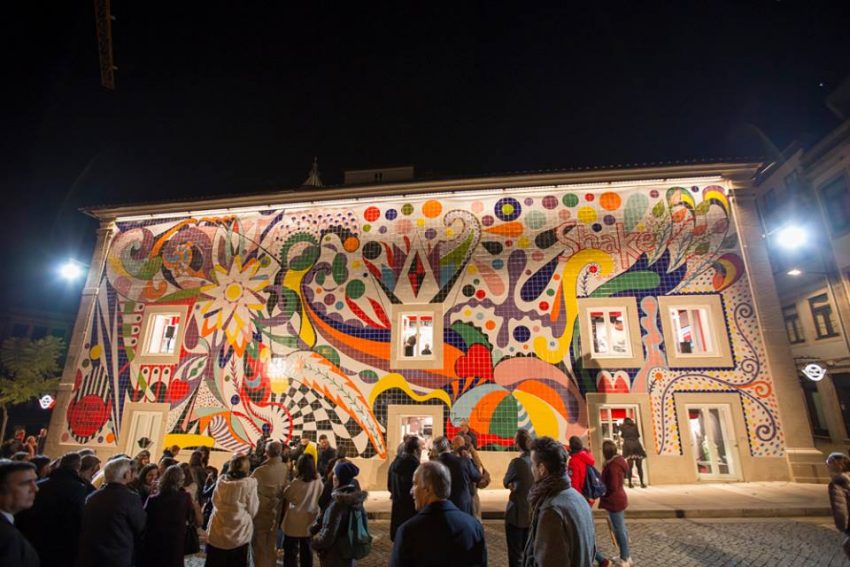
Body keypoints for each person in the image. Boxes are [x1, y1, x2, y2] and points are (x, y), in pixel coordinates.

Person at [389, 460, 486, 567]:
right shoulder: (474, 527)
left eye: (415, 484)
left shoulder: (407, 532)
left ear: (428, 488)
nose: (411, 491)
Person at [524, 436, 596, 567]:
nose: (531, 469)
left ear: (541, 468)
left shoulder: (551, 511)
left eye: (532, 464)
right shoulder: (579, 498)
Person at [16, 452, 87, 567]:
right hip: (63, 546)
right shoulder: (78, 489)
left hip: (35, 541)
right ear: (78, 467)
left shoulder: (42, 485)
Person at [77, 457, 147, 567]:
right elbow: (140, 525)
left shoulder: (92, 497)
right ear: (126, 475)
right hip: (117, 556)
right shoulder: (130, 498)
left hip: (90, 555)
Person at [141, 464, 201, 567]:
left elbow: (143, 518)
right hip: (175, 542)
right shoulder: (185, 498)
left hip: (154, 541)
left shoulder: (153, 499)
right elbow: (197, 521)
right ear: (180, 481)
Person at [311, 461, 369, 567]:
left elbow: (328, 536)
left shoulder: (337, 504)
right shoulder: (355, 500)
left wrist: (314, 543)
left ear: (338, 479)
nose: (333, 477)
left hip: (334, 555)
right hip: (348, 552)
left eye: (335, 474)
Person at [206, 454, 259, 567]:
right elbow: (253, 509)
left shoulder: (221, 481)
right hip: (238, 533)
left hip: (218, 528)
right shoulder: (248, 485)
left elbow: (214, 501)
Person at [251, 441, 289, 567]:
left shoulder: (260, 471)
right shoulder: (284, 468)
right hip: (277, 510)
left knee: (259, 543)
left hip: (261, 511)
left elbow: (249, 489)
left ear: (266, 452)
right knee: (272, 541)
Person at [594, 440, 632, 567]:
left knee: (619, 529)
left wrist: (603, 490)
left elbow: (613, 486)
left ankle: (625, 558)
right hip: (618, 498)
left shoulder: (613, 466)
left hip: (614, 500)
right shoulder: (617, 462)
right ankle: (625, 555)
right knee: (621, 528)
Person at [282, 454, 323, 567]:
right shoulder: (318, 481)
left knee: (290, 551)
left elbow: (287, 495)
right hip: (310, 519)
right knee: (307, 550)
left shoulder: (297, 482)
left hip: (294, 521)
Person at [0, 460, 39, 567]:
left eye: (35, 481)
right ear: (2, 489)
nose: (35, 489)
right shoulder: (7, 537)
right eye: (26, 483)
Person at [504, 429, 533, 567]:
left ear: (517, 444)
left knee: (515, 555)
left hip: (517, 514)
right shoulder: (536, 461)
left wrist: (513, 484)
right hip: (532, 514)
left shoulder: (517, 462)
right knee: (529, 554)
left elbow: (506, 481)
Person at [433, 436, 480, 516]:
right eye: (454, 443)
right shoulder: (463, 461)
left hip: (442, 507)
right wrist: (469, 459)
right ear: (449, 446)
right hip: (462, 505)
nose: (455, 446)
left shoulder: (433, 465)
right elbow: (477, 476)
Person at [388, 436, 420, 541]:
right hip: (409, 505)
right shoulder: (414, 464)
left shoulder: (395, 462)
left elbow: (389, 484)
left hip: (397, 502)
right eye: (420, 447)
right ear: (415, 449)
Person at [827, 452, 850, 560]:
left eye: (829, 462)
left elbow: (840, 508)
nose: (827, 465)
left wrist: (842, 526)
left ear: (838, 464)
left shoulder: (837, 482)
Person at [619, 418, 647, 488]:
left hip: (628, 446)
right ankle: (642, 483)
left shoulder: (622, 426)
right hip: (637, 445)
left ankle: (630, 483)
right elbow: (638, 435)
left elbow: (622, 436)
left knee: (630, 466)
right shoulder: (635, 426)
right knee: (639, 466)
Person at [567, 436, 595, 503]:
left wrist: (574, 498)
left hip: (581, 496)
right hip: (589, 493)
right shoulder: (587, 456)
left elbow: (575, 483)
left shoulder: (574, 461)